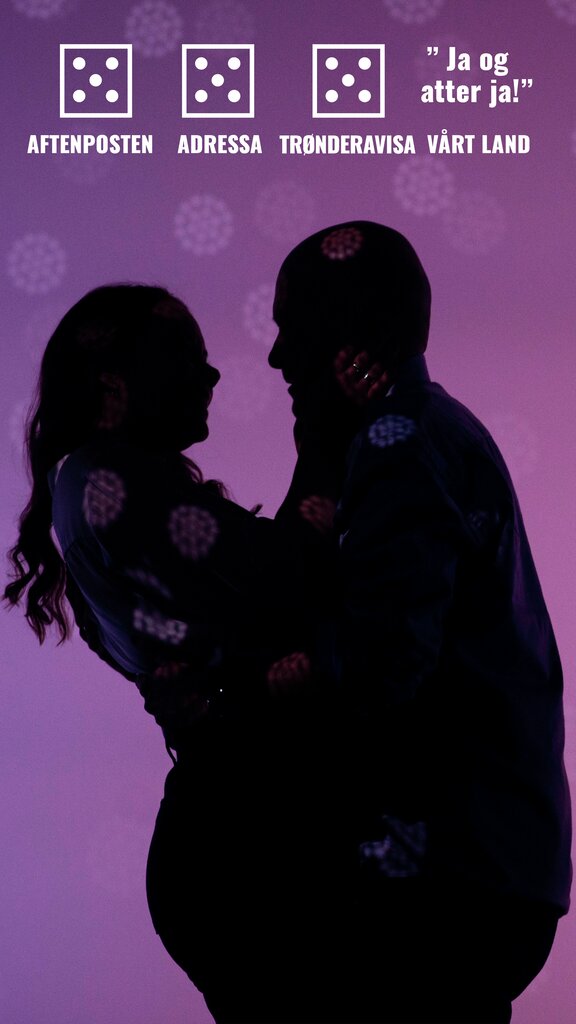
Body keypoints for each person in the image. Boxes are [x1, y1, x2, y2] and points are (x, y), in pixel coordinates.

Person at [3, 281, 388, 1024]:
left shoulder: (90, 486)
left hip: (236, 835)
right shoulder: (102, 480)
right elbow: (284, 578)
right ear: (113, 382)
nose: (211, 374)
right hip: (250, 845)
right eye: (181, 354)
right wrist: (324, 432)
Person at [267, 219, 573, 1023]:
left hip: (443, 872)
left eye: (294, 328)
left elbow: (385, 660)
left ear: (348, 331)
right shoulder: (423, 429)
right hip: (486, 863)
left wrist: (283, 673)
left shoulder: (398, 443)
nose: (276, 358)